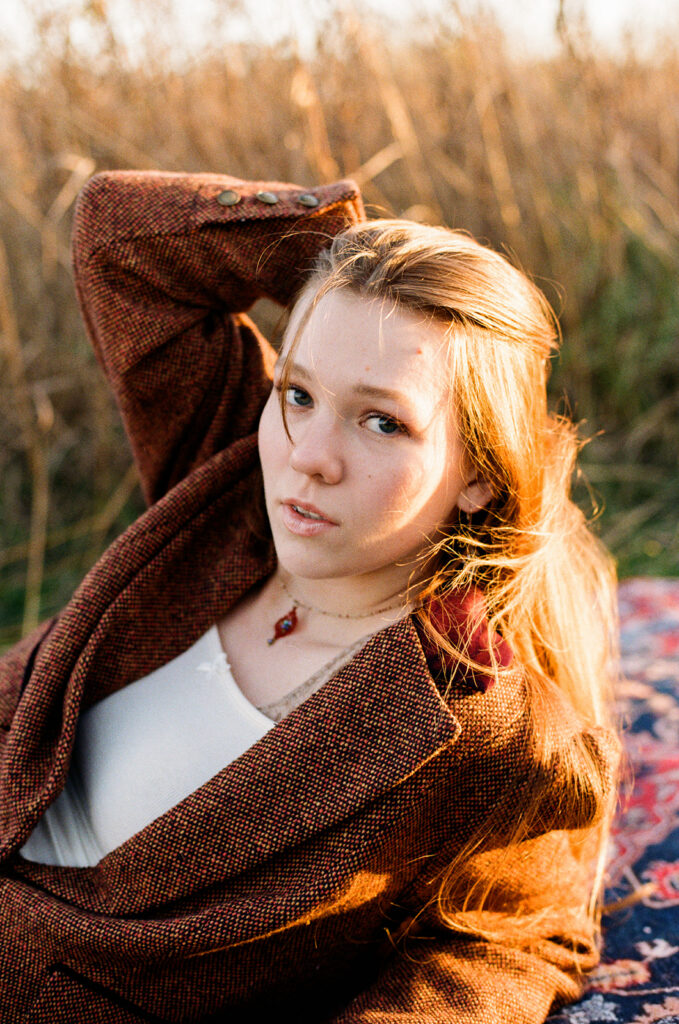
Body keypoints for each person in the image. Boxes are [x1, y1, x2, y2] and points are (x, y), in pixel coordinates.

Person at [0, 169, 620, 1023]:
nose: (308, 455)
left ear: (478, 473)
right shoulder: (220, 487)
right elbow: (119, 239)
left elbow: (512, 942)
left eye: (381, 422)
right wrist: (342, 263)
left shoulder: (483, 724)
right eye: (298, 393)